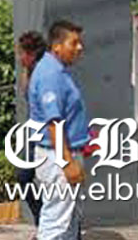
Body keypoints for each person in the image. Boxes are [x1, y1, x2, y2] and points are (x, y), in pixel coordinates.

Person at [28, 20, 88, 240]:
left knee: (69, 221)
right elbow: (54, 122)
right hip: (57, 157)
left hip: (61, 154)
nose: (79, 48)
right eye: (74, 43)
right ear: (56, 46)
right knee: (56, 222)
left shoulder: (57, 71)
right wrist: (67, 163)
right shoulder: (50, 74)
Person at [15, 30, 48, 226]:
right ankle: (42, 221)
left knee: (54, 186)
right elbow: (26, 94)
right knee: (23, 177)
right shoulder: (31, 72)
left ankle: (54, 227)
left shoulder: (45, 74)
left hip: (47, 136)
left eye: (22, 53)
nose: (19, 58)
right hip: (34, 134)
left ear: (32, 54)